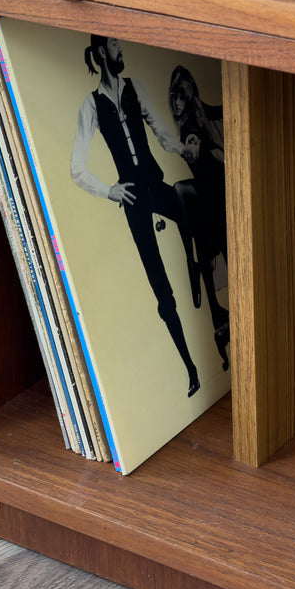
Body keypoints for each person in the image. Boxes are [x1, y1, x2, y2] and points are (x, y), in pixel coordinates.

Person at [69, 36, 202, 397]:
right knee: (161, 287)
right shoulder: (91, 106)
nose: (121, 49)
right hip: (132, 200)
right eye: (115, 45)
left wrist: (184, 149)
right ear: (101, 53)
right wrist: (108, 190)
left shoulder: (134, 88)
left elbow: (160, 133)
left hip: (155, 184)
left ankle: (194, 265)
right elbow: (76, 168)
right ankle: (191, 369)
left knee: (189, 208)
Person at [168, 65, 229, 369]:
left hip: (217, 198)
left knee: (210, 245)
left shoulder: (192, 122)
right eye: (172, 95)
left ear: (188, 94)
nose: (175, 101)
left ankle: (218, 311)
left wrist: (200, 148)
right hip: (211, 198)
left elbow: (199, 141)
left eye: (180, 95)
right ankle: (218, 311)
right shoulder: (193, 120)